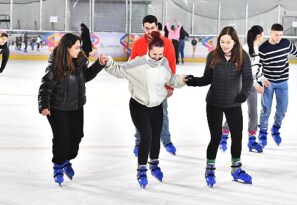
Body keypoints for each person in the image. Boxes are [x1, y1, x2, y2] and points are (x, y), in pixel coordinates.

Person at [100, 31, 187, 188]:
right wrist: (108, 62)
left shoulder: (164, 63)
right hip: (139, 105)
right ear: (149, 50)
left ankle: (154, 164)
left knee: (155, 137)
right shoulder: (138, 63)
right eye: (154, 54)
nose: (157, 58)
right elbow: (120, 70)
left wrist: (182, 80)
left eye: (160, 54)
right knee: (146, 136)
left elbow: (171, 79)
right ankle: (141, 170)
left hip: (157, 107)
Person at [186, 26, 253, 187]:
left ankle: (236, 169)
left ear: (235, 41)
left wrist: (244, 94)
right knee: (215, 137)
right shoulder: (213, 56)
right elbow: (207, 78)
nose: (225, 44)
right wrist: (193, 81)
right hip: (214, 102)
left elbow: (248, 79)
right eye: (222, 41)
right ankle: (210, 169)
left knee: (237, 137)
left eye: (228, 42)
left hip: (234, 103)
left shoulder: (243, 56)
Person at [38, 33, 104, 185]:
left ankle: (66, 159)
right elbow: (45, 87)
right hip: (57, 108)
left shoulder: (79, 61)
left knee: (77, 136)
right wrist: (44, 106)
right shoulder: (55, 65)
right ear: (67, 48)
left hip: (76, 106)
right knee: (62, 138)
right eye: (76, 47)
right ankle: (58, 165)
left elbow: (85, 77)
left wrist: (98, 65)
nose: (79, 50)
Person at [130, 15, 177, 156]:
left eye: (152, 28)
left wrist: (170, 86)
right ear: (143, 28)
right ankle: (139, 142)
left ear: (157, 27)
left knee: (163, 114)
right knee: (140, 116)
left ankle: (166, 140)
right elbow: (132, 65)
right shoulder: (138, 44)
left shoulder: (167, 43)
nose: (149, 31)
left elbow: (172, 66)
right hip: (142, 88)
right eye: (146, 28)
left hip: (160, 87)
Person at [219, 25, 270, 153]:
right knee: (234, 112)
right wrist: (255, 85)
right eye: (263, 34)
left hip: (251, 85)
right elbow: (242, 73)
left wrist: (263, 80)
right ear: (259, 36)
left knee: (253, 113)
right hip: (240, 84)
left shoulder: (257, 51)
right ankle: (224, 136)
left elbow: (257, 71)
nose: (263, 36)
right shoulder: (244, 51)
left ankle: (252, 141)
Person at [258, 23, 297, 148]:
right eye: (276, 35)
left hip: (283, 82)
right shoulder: (263, 48)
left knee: (282, 109)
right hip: (268, 83)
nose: (278, 38)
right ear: (271, 33)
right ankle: (263, 133)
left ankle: (275, 128)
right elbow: (258, 67)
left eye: (280, 35)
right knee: (266, 109)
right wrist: (262, 79)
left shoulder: (286, 43)